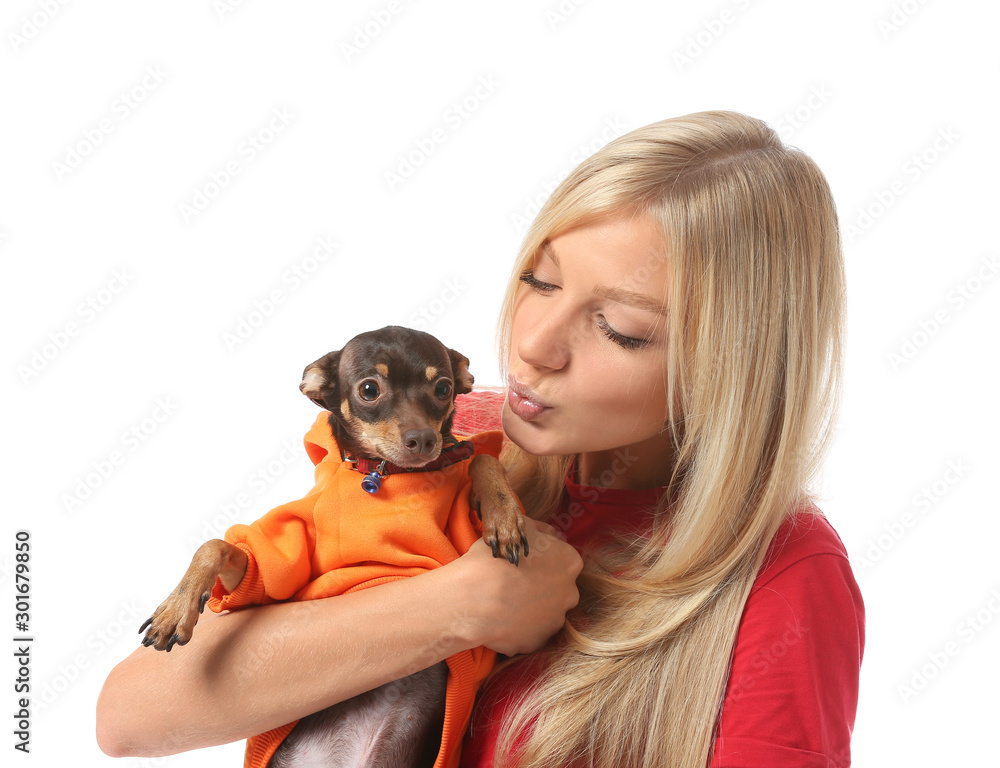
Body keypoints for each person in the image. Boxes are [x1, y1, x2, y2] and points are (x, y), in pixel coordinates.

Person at [97, 110, 864, 768]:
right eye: (540, 280)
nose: (535, 345)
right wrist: (457, 608)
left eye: (620, 329)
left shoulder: (788, 577)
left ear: (733, 367)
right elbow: (131, 715)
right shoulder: (447, 440)